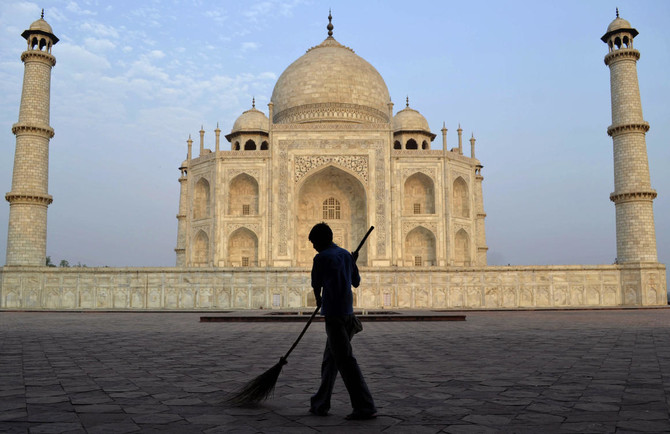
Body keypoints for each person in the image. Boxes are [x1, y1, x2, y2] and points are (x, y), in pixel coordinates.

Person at [308, 222, 377, 420]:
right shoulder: (346, 255)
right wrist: (352, 263)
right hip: (348, 314)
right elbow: (355, 282)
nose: (313, 246)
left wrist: (319, 300)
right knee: (330, 361)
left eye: (314, 242)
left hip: (334, 316)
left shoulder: (321, 258)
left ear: (321, 240)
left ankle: (365, 406)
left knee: (346, 362)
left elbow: (316, 286)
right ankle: (320, 403)